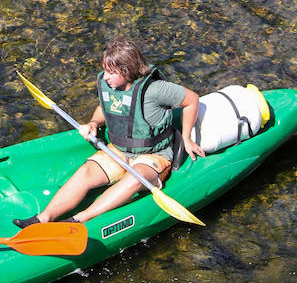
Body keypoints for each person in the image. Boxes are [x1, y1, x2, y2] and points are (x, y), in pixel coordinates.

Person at [16, 38, 205, 227]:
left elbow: (191, 100)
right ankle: (43, 218)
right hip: (119, 150)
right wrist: (94, 122)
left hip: (153, 155)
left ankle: (81, 218)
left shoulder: (155, 89)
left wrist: (187, 138)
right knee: (85, 172)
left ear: (127, 70)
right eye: (105, 70)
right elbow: (106, 106)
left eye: (111, 72)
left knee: (134, 178)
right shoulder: (110, 85)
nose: (105, 76)